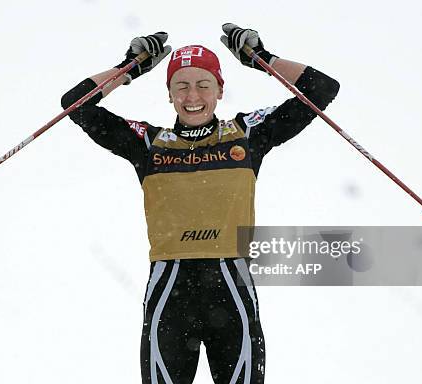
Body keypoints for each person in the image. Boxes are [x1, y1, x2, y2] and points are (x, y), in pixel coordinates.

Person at [61, 23, 339, 384]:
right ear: (170, 94)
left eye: (204, 84)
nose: (193, 95)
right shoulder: (148, 144)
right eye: (182, 86)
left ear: (220, 90)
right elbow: (75, 104)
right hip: (170, 293)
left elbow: (321, 89)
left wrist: (262, 59)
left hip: (231, 289)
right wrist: (129, 68)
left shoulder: (248, 135)